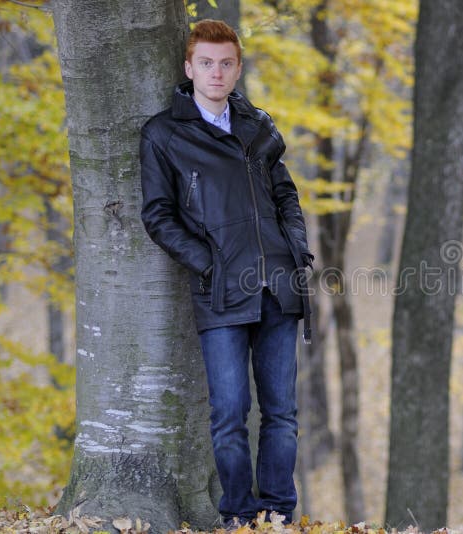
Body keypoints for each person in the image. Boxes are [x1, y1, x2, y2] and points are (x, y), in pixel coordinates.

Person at [139, 19, 313, 527]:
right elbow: (158, 215)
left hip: (279, 286)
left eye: (227, 63)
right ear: (190, 67)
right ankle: (238, 516)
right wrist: (208, 263)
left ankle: (278, 514)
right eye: (207, 63)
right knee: (230, 416)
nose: (217, 72)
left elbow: (286, 194)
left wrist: (297, 249)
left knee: (281, 415)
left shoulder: (258, 124)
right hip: (219, 292)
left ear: (237, 68)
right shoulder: (165, 134)